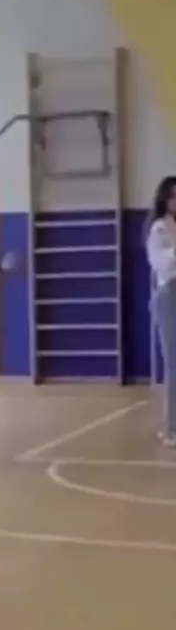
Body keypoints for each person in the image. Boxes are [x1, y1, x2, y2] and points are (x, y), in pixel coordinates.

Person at [146, 176, 176, 447]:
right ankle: (171, 430)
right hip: (169, 296)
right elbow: (161, 264)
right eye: (173, 196)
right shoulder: (159, 229)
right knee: (174, 363)